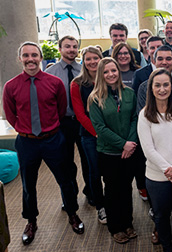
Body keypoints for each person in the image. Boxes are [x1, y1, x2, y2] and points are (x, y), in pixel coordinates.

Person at [3, 41, 85, 245]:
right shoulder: (11, 86)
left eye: (34, 55)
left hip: (53, 140)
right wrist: (26, 129)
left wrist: (48, 128)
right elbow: (11, 115)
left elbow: (60, 109)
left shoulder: (54, 82)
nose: (30, 59)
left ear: (40, 58)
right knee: (28, 184)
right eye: (26, 55)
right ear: (20, 59)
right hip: (26, 142)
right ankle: (31, 221)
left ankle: (73, 214)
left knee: (65, 179)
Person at [137, 68, 172, 252]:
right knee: (161, 216)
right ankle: (167, 247)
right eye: (157, 85)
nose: (162, 89)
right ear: (151, 88)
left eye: (166, 85)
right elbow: (148, 149)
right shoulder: (144, 115)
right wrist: (168, 170)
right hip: (157, 178)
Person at [88, 58, 138, 244]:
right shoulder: (94, 98)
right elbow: (99, 128)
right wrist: (122, 144)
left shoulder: (130, 93)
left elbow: (135, 118)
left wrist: (131, 142)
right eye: (106, 72)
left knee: (126, 189)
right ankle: (115, 227)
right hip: (108, 153)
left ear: (118, 72)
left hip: (129, 151)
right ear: (101, 74)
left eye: (113, 71)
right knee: (112, 191)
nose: (110, 74)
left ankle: (127, 223)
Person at [45, 35, 91, 208]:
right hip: (62, 123)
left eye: (74, 46)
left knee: (88, 160)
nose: (71, 49)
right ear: (60, 49)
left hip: (83, 121)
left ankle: (91, 192)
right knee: (65, 162)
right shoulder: (50, 73)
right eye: (67, 46)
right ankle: (70, 198)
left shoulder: (84, 69)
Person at [70, 46, 107, 225]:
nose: (92, 62)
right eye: (88, 59)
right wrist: (98, 132)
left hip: (110, 133)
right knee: (95, 172)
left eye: (96, 58)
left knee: (111, 171)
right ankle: (100, 206)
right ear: (83, 61)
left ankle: (112, 202)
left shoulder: (108, 78)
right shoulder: (76, 84)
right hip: (90, 136)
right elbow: (80, 114)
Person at [137, 45, 172, 112]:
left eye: (168, 59)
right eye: (160, 59)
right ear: (153, 61)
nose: (164, 62)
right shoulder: (144, 87)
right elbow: (142, 113)